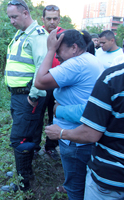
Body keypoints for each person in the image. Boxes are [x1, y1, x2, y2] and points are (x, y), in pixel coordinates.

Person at [45, 16, 124, 200]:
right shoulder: (99, 66)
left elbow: (91, 130)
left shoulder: (114, 78)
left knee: (76, 187)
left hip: (112, 178)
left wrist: (60, 130)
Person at [34, 29, 104, 199]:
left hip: (75, 141)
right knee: (83, 181)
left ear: (74, 48)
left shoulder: (77, 64)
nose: (57, 56)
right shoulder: (90, 60)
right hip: (83, 136)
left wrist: (50, 49)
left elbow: (40, 81)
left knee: (75, 188)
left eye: (59, 50)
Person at [1, 0, 48, 192]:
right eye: (9, 17)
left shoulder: (37, 36)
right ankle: (24, 170)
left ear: (26, 13)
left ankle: (22, 183)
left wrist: (34, 95)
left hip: (28, 96)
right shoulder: (21, 34)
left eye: (15, 16)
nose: (12, 21)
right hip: (18, 96)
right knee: (26, 134)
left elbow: (41, 66)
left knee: (19, 139)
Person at [33, 5, 65, 161]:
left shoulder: (64, 35)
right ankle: (34, 146)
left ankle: (51, 147)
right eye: (49, 18)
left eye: (55, 18)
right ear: (43, 19)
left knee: (55, 116)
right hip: (39, 82)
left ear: (59, 19)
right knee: (36, 116)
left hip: (58, 84)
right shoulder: (36, 34)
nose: (52, 22)